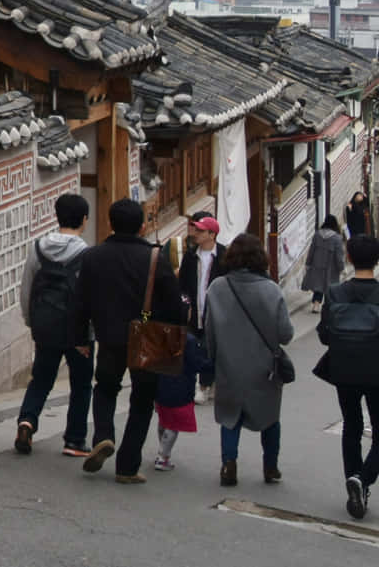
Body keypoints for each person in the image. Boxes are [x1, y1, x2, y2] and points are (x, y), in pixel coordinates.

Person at [70, 197, 186, 483]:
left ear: (110, 223)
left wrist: (80, 337)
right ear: (143, 226)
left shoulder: (92, 256)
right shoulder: (155, 259)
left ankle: (103, 435)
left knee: (106, 388)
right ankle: (127, 466)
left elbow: (80, 301)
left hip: (109, 336)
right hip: (146, 339)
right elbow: (173, 305)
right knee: (142, 400)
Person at [315, 232, 379, 519]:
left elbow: (325, 336)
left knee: (351, 427)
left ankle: (355, 479)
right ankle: (363, 480)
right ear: (378, 261)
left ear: (349, 257)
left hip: (344, 371)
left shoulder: (335, 293)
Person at [203, 234, 295, 487]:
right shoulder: (271, 289)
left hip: (228, 365)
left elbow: (209, 332)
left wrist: (212, 362)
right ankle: (270, 466)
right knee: (270, 417)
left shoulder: (218, 288)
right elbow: (286, 334)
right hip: (264, 367)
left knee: (230, 417)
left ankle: (228, 464)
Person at [15, 193, 93, 457]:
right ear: (84, 220)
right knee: (81, 384)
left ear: (57, 216)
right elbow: (88, 299)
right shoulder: (86, 254)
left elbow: (26, 289)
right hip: (77, 332)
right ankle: (74, 440)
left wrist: (31, 321)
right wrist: (89, 334)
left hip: (45, 326)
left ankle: (27, 421)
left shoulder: (37, 248)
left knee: (41, 379)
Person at [176, 213, 228, 404]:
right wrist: (185, 303)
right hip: (193, 310)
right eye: (195, 229)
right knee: (192, 349)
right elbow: (182, 284)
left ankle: (205, 386)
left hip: (215, 312)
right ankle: (198, 385)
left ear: (212, 234)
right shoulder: (190, 257)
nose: (195, 233)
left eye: (200, 230)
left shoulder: (224, 255)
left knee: (208, 349)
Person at [153, 330, 211, 471]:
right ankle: (163, 456)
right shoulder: (188, 339)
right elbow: (196, 363)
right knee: (173, 424)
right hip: (180, 387)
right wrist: (211, 365)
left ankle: (162, 451)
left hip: (160, 384)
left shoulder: (161, 332)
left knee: (163, 420)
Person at [307, 215, 348, 312]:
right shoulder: (337, 238)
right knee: (331, 287)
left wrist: (308, 263)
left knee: (318, 285)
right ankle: (329, 307)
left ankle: (316, 305)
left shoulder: (317, 235)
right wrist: (342, 268)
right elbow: (339, 255)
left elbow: (311, 250)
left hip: (317, 265)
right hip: (331, 267)